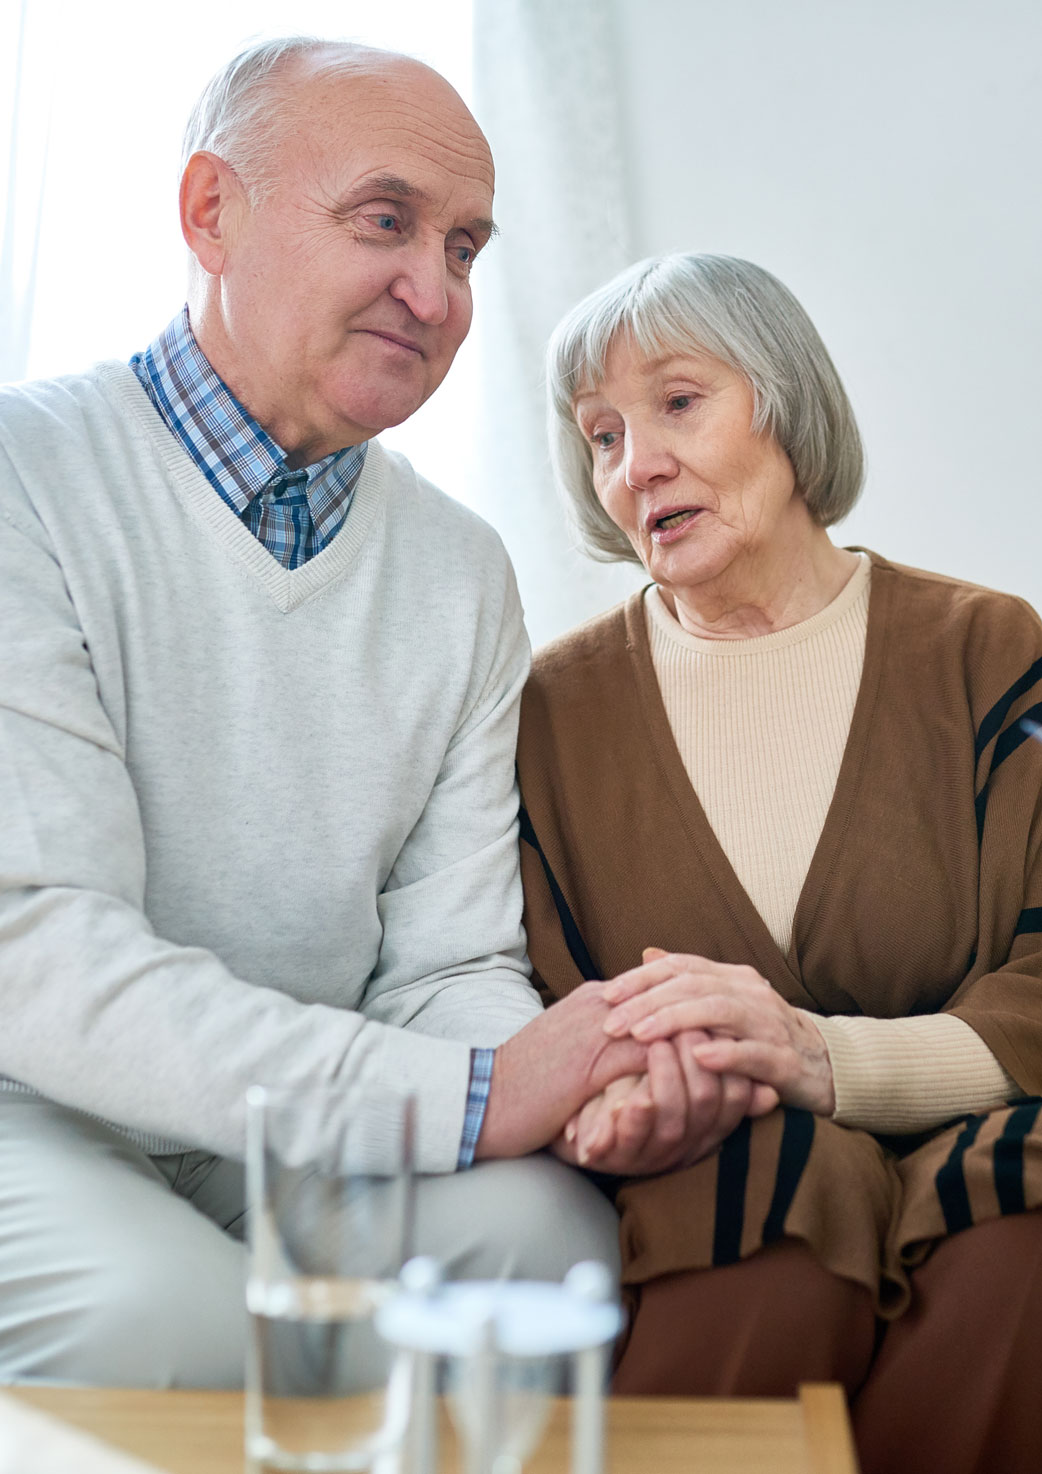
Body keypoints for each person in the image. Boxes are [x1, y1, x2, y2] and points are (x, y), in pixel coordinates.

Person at [0, 38, 652, 1387]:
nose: (435, 289)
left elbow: (444, 964)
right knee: (169, 1321)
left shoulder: (462, 569)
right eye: (386, 220)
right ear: (208, 212)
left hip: (298, 1127)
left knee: (546, 1243)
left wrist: (571, 1089)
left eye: (466, 248)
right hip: (33, 1109)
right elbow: (41, 953)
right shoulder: (26, 475)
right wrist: (478, 1097)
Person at [518, 252, 1042, 1474]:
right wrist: (617, 1094)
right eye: (600, 435)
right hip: (710, 1171)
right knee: (760, 1211)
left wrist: (823, 1057)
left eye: (678, 404)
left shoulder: (991, 651)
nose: (634, 464)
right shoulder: (550, 711)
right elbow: (538, 996)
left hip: (984, 1148)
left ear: (787, 404)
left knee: (1020, 1228)